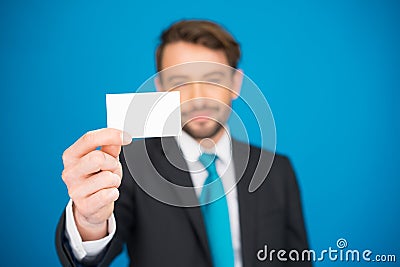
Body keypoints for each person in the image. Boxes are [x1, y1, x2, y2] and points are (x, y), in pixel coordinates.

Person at [56, 19, 311, 267]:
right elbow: (89, 258)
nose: (198, 97)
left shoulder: (278, 171)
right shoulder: (130, 167)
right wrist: (89, 221)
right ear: (160, 88)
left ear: (235, 83)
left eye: (213, 79)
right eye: (180, 82)